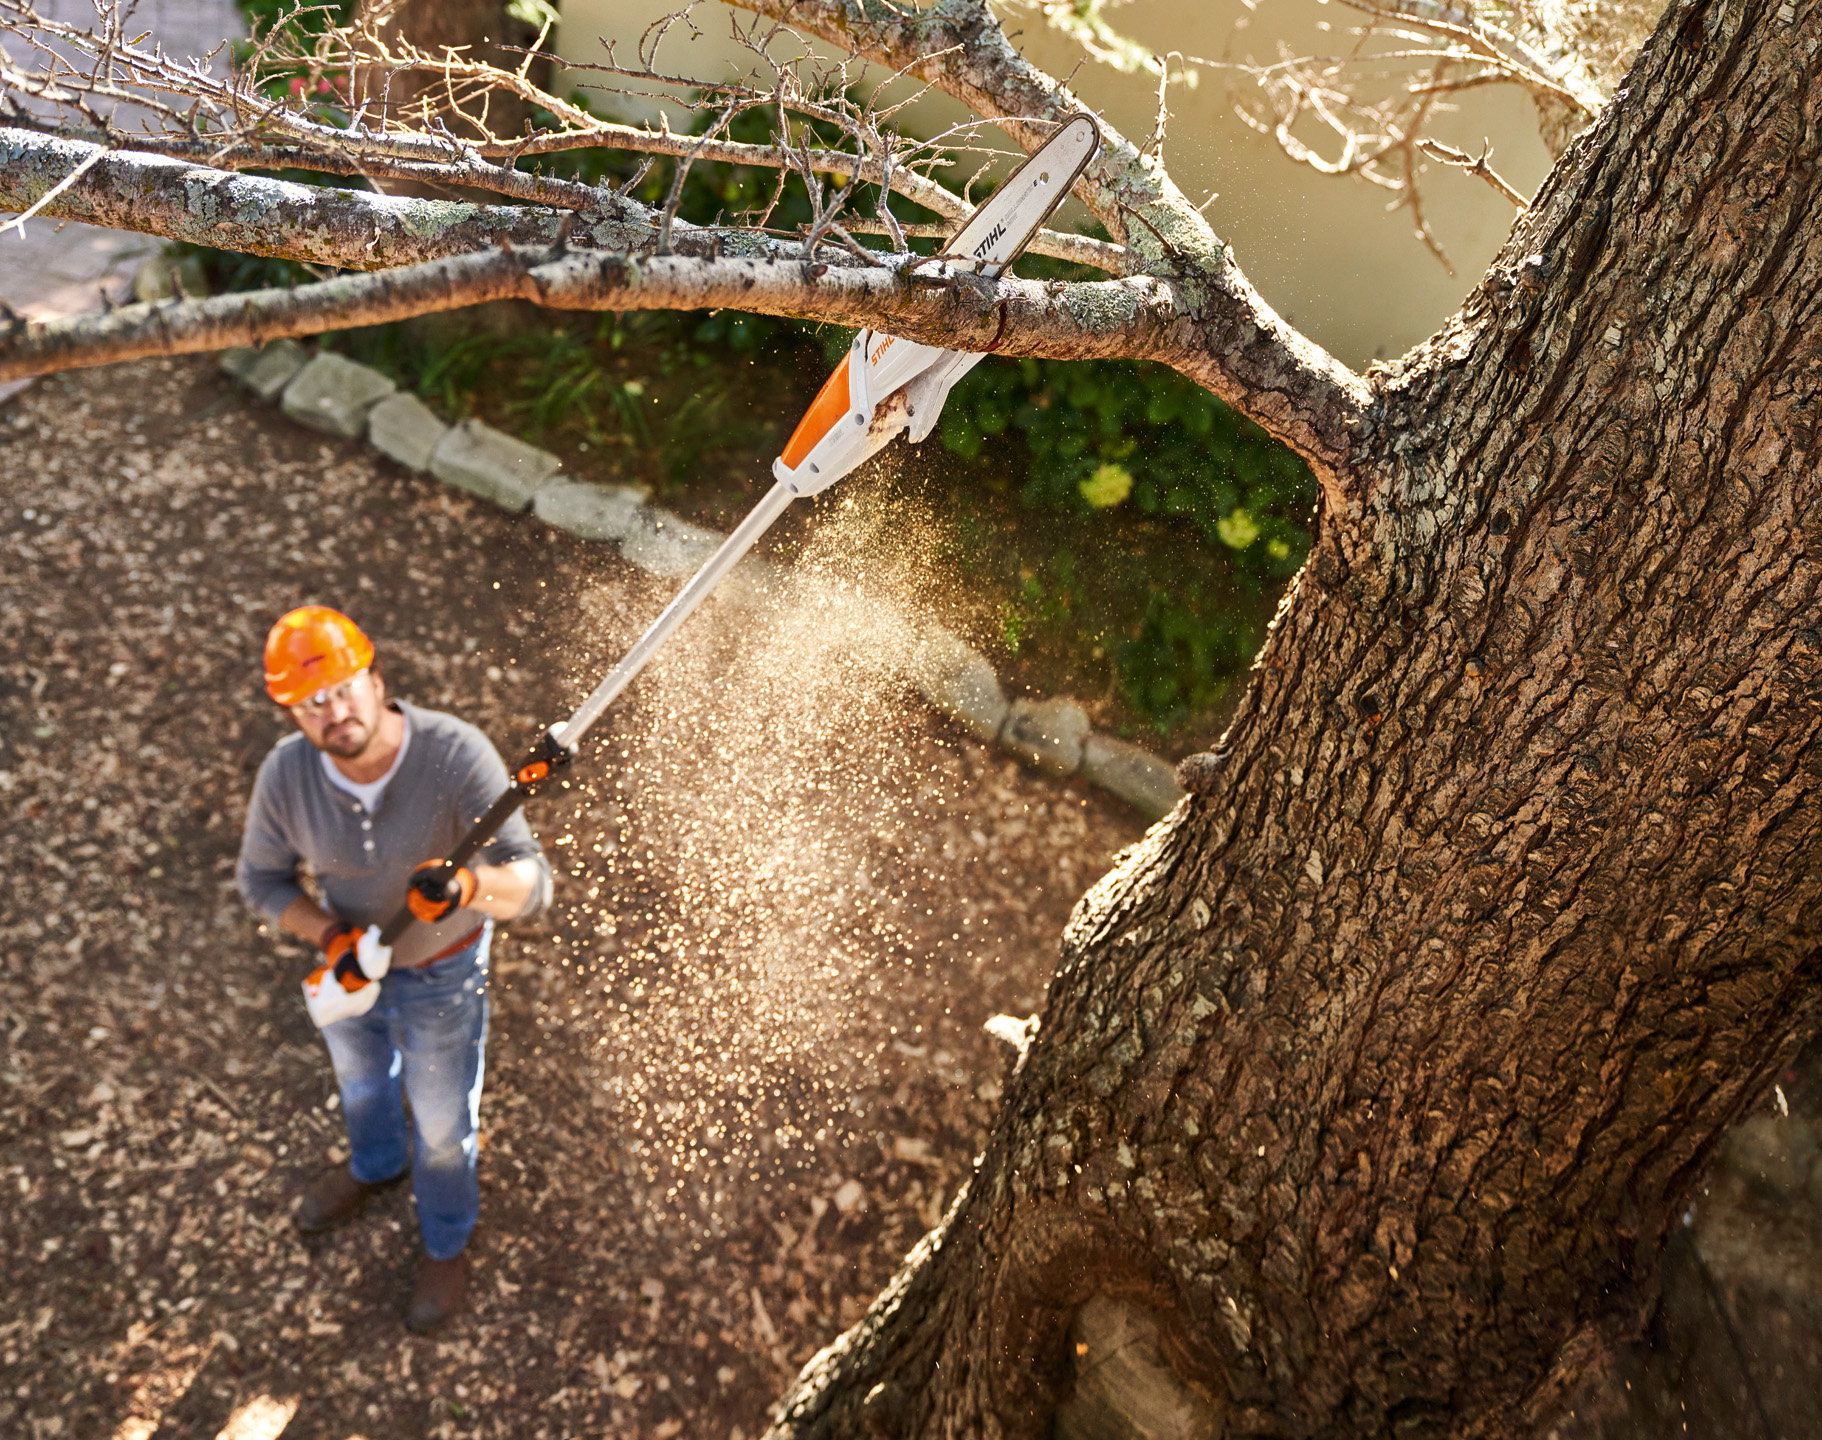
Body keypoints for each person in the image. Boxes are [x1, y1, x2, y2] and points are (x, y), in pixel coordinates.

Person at [236, 605, 552, 1332]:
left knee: (442, 1124)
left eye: (345, 687)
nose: (333, 711)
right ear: (291, 711)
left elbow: (532, 886)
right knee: (359, 1081)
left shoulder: (453, 754)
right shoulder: (287, 778)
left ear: (377, 680)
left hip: (444, 973)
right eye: (311, 702)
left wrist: (469, 888)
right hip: (355, 972)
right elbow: (263, 882)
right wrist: (328, 936)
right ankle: (377, 1165)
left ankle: (447, 1238)